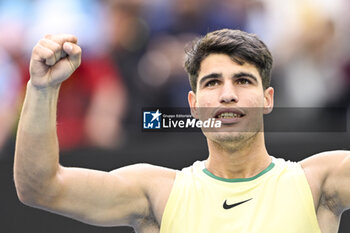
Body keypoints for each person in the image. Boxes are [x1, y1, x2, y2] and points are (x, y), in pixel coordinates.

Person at [14, 29, 350, 233]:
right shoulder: (157, 194)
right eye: (213, 82)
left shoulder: (318, 182)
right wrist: (41, 88)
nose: (228, 93)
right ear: (193, 104)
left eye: (243, 80)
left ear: (267, 99)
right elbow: (40, 187)